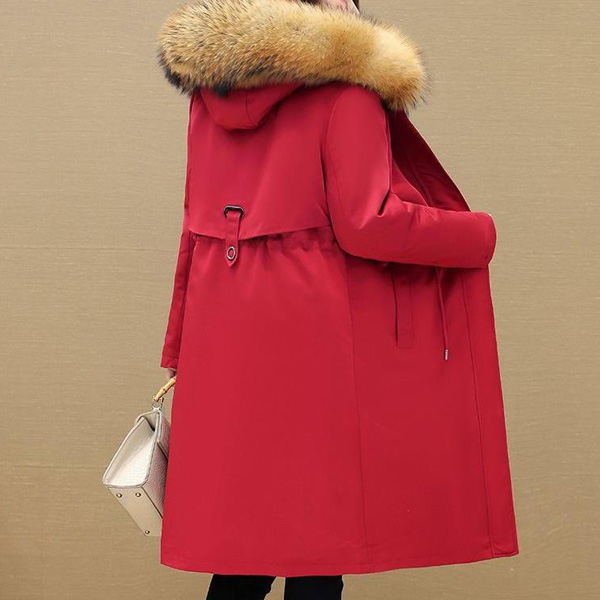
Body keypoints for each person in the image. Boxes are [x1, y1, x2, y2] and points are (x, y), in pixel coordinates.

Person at [156, 0, 519, 598]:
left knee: (243, 545)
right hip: (312, 340)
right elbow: (367, 222)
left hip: (223, 335)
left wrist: (178, 347)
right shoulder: (348, 92)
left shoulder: (209, 95)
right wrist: (476, 234)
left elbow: (193, 232)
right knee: (318, 548)